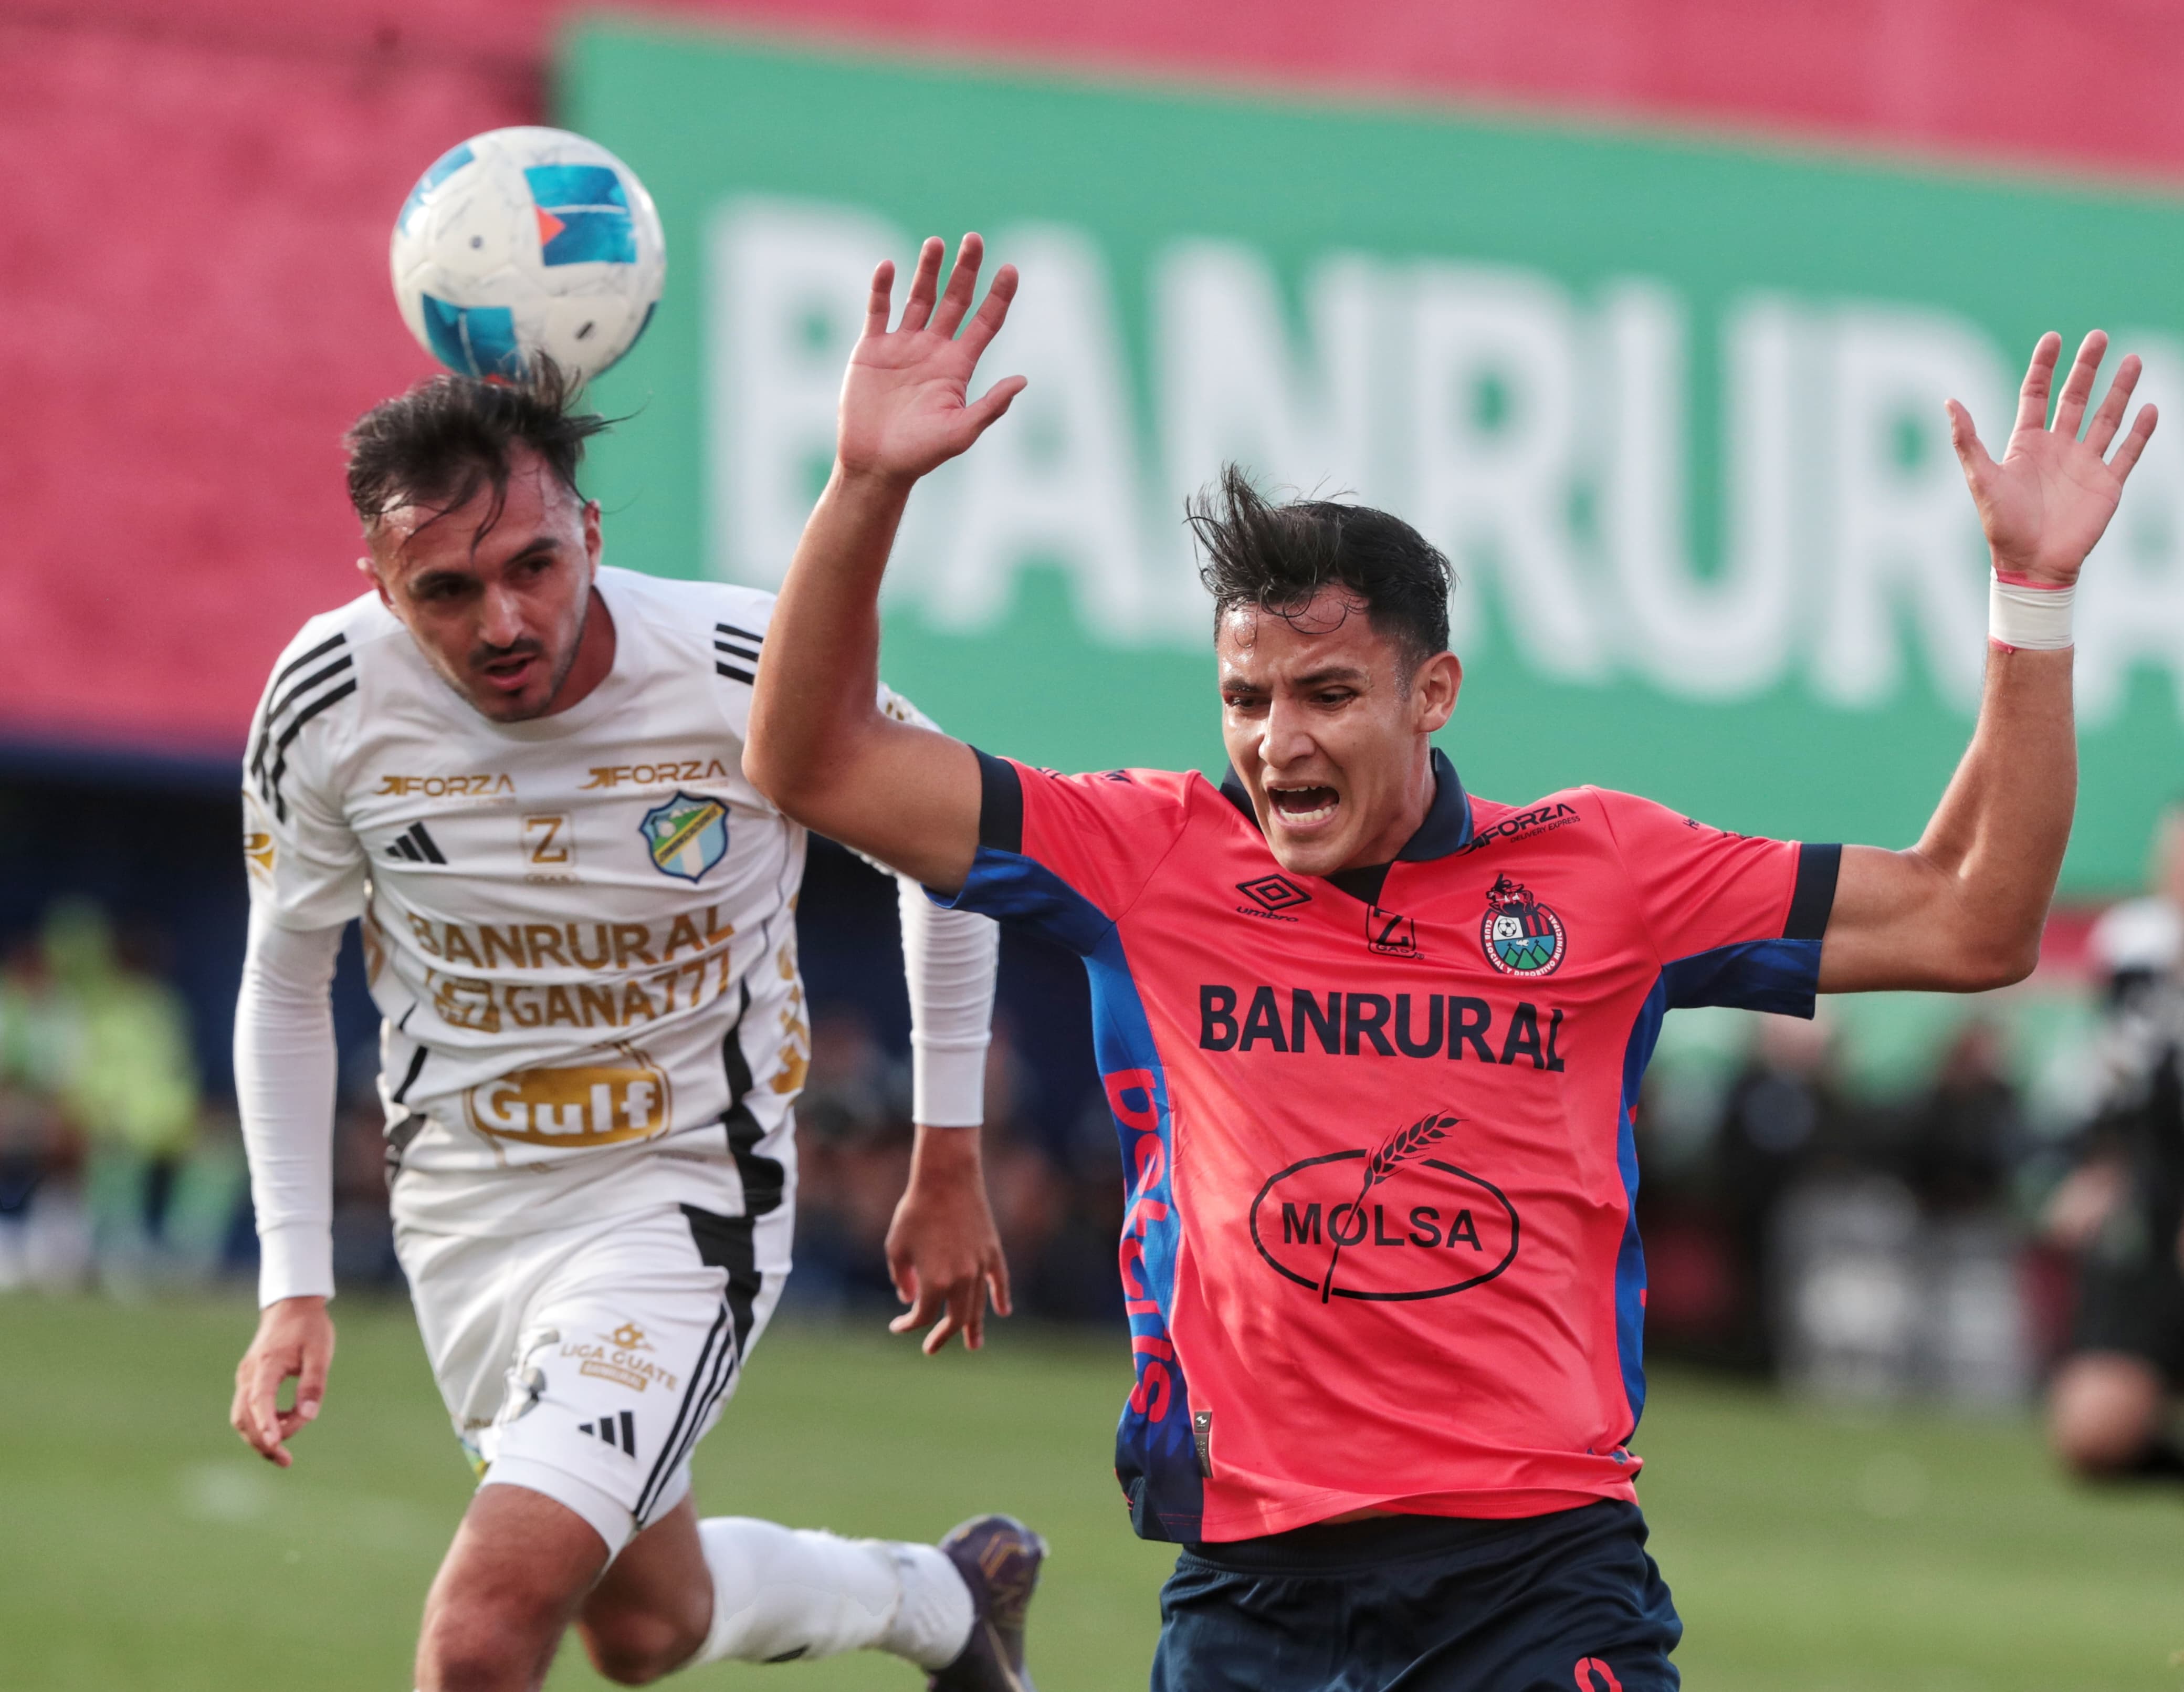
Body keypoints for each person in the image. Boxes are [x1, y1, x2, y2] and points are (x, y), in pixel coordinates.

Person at [743, 233, 2155, 1689]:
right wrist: (868, 486)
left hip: (1538, 1574)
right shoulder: (1148, 854)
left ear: (1435, 693)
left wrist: (2032, 596)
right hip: (1249, 1581)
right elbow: (810, 758)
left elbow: (1972, 917)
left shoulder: (1603, 873)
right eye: (1245, 695)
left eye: (1328, 692)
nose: (1277, 738)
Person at [227, 367, 1043, 1692]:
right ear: (383, 589)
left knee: (482, 1635)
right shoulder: (328, 700)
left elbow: (948, 859)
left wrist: (945, 1152)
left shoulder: (740, 663)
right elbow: (282, 977)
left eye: (534, 565)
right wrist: (294, 1284)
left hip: (683, 1191)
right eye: (444, 590)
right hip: (466, 1215)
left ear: (593, 536)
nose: (502, 619)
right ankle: (944, 1600)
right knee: (646, 1626)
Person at [2046, 801, 2184, 1480]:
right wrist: (2097, 1168)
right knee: (2093, 1436)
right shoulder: (2137, 946)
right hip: (2151, 1189)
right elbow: (2116, 1073)